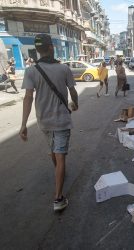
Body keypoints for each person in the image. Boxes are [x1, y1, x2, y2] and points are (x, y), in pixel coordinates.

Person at [19, 34, 79, 212]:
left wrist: (23, 124)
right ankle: (58, 198)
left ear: (37, 50)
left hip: (43, 121)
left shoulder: (31, 71)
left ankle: (58, 171)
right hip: (61, 120)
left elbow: (28, 98)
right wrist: (76, 104)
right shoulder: (64, 69)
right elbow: (73, 91)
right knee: (60, 157)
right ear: (51, 47)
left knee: (54, 151)